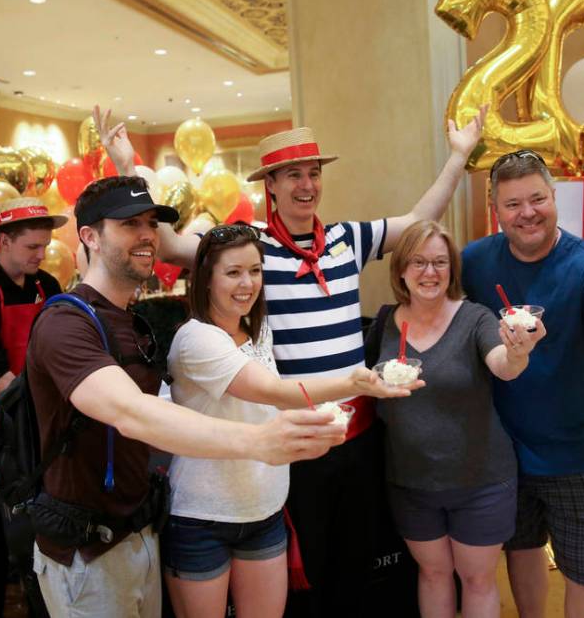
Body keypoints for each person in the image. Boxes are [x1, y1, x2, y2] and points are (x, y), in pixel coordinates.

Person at [94, 103, 485, 616]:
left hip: (361, 436)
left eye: (313, 173)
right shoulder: (248, 249)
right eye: (293, 175)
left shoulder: (348, 239)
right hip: (295, 436)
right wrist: (127, 160)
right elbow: (166, 244)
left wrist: (458, 157)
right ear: (270, 185)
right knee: (306, 573)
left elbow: (417, 221)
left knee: (362, 562)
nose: (306, 185)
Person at [25, 177, 346, 618]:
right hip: (86, 549)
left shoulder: (131, 321)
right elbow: (131, 413)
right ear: (89, 237)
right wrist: (258, 441)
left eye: (152, 224)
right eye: (129, 223)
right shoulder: (65, 322)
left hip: (141, 531)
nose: (146, 235)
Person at [164, 223, 419, 618]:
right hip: (204, 517)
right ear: (206, 278)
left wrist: (318, 417)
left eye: (255, 270)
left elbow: (270, 406)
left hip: (264, 510)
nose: (247, 283)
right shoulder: (196, 339)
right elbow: (271, 390)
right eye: (233, 272)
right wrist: (354, 383)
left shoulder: (257, 328)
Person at [460, 150, 584, 618]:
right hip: (505, 449)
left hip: (577, 451)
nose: (527, 213)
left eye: (537, 199)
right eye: (512, 204)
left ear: (553, 198)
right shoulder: (475, 262)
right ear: (496, 209)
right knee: (522, 553)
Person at [367, 220, 544, 618]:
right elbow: (361, 381)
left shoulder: (475, 318)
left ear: (452, 270)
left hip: (479, 480)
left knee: (477, 580)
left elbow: (502, 365)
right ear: (400, 270)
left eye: (440, 262)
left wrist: (518, 352)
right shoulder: (384, 322)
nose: (430, 272)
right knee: (432, 573)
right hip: (410, 482)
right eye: (418, 262)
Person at [0, 197, 66, 617]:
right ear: (3, 241)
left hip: (39, 419)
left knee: (43, 525)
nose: (42, 255)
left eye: (44, 246)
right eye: (32, 248)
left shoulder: (49, 286)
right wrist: (33, 411)